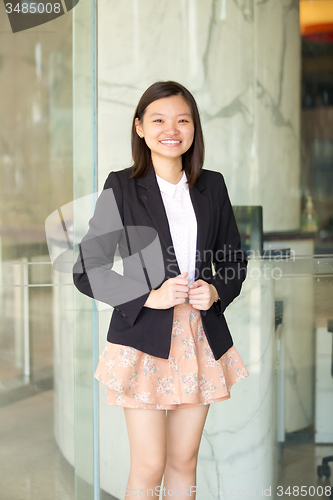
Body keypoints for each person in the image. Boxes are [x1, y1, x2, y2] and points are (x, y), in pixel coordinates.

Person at [73, 80, 250, 499]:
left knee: (184, 461)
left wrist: (217, 290)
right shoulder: (122, 186)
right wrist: (147, 296)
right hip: (144, 336)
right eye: (159, 120)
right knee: (149, 463)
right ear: (139, 127)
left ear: (194, 128)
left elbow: (234, 260)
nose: (172, 129)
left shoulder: (212, 185)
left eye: (182, 120)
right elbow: (87, 269)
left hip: (199, 337)